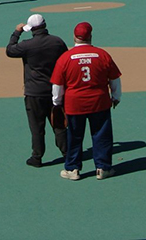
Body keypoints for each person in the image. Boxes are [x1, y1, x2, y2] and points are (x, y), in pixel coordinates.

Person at [51, 22, 122, 181]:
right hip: (99, 102)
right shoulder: (102, 55)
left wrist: (57, 102)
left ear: (74, 37)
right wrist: (116, 97)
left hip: (74, 104)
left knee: (74, 136)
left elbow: (57, 85)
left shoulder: (65, 58)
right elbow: (115, 79)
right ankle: (103, 168)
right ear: (90, 36)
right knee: (101, 135)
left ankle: (73, 169)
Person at [6, 14, 68, 167]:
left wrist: (16, 33)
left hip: (34, 92)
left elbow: (10, 50)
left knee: (37, 127)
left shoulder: (27, 45)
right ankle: (68, 153)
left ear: (31, 29)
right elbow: (66, 61)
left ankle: (37, 157)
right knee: (59, 124)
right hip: (55, 90)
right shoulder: (57, 42)